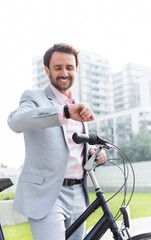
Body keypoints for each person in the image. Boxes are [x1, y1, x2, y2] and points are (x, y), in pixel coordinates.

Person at [7, 43, 107, 240]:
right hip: (48, 194)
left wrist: (92, 151)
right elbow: (15, 121)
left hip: (79, 192)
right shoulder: (34, 97)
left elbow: (71, 146)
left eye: (69, 67)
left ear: (76, 70)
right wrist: (64, 112)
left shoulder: (77, 103)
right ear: (47, 70)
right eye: (58, 67)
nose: (64, 72)